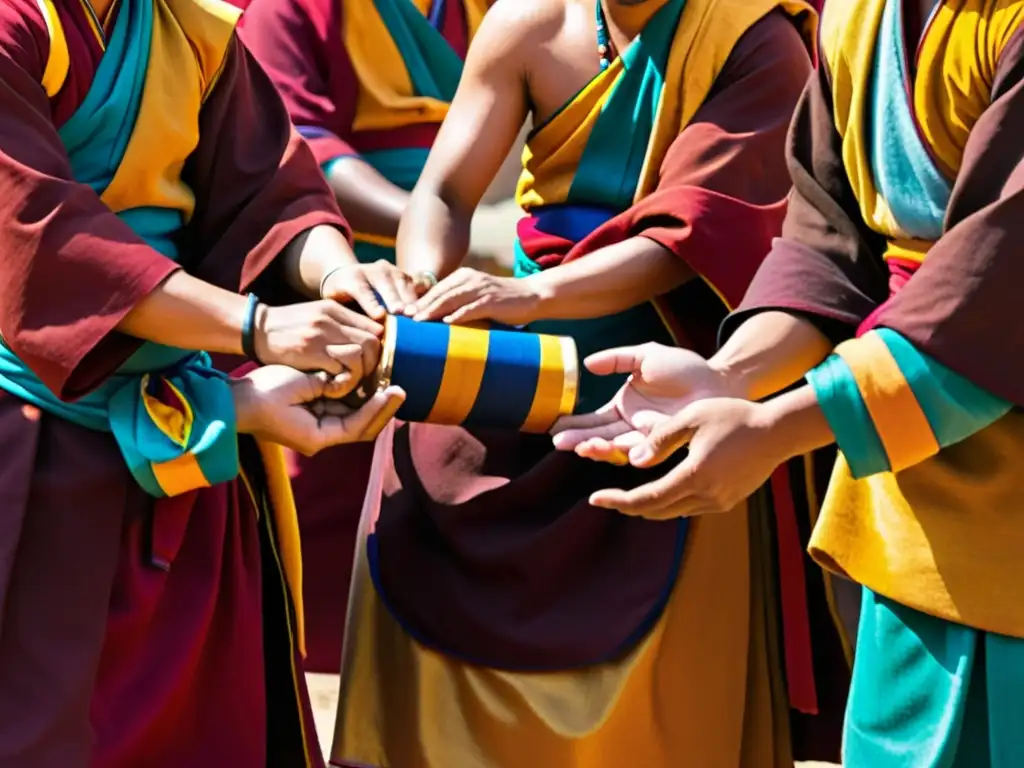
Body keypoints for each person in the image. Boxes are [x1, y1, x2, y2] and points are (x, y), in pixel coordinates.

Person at [328, 1, 837, 766]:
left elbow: (691, 238)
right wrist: (423, 293)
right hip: (521, 363)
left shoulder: (753, 36)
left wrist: (529, 297)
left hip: (675, 366)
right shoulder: (530, 21)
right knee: (410, 472)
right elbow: (444, 194)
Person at [554, 0, 1024, 763]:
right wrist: (728, 377)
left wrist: (778, 429)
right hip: (899, 478)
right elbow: (830, 240)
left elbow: (996, 292)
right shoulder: (859, 13)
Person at [0, 0, 413, 765]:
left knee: (209, 734)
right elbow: (44, 239)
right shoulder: (18, 27)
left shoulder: (188, 26)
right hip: (36, 446)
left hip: (193, 440)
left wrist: (336, 275)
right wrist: (256, 330)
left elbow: (271, 192)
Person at [238, 0, 491, 672]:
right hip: (325, 265)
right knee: (324, 482)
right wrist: (427, 217)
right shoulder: (288, 8)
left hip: (458, 276)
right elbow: (291, 142)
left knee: (440, 485)